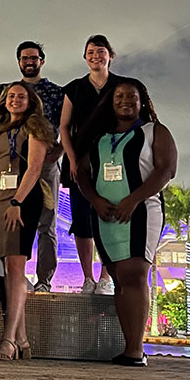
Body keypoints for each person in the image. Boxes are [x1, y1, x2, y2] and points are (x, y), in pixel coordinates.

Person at [76, 79, 177, 366]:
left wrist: (133, 199)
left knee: (134, 274)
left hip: (141, 213)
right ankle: (129, 347)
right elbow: (81, 172)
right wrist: (94, 199)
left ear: (142, 101)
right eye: (119, 96)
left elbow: (166, 169)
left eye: (132, 96)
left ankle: (136, 350)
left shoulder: (154, 131)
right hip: (105, 216)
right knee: (119, 279)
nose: (125, 101)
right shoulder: (99, 137)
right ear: (110, 101)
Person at [0, 41, 64, 292]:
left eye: (34, 57)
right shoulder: (11, 90)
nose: (29, 61)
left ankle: (44, 280)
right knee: (10, 222)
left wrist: (60, 150)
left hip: (42, 165)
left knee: (47, 223)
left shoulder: (56, 92)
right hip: (11, 167)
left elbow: (69, 124)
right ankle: (15, 278)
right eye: (24, 58)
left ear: (42, 61)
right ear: (19, 62)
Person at [0, 82, 54, 360]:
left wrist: (17, 202)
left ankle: (8, 340)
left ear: (30, 101)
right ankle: (22, 340)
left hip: (21, 202)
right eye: (10, 96)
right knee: (9, 272)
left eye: (21, 96)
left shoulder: (35, 127)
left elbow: (34, 168)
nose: (15, 100)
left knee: (16, 269)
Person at [60, 35, 121, 295]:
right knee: (82, 221)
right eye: (90, 52)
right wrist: (72, 158)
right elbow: (64, 126)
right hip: (80, 164)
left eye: (101, 51)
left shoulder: (122, 86)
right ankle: (87, 278)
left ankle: (106, 278)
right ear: (85, 57)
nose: (96, 56)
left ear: (110, 55)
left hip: (114, 163)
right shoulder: (74, 88)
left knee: (109, 218)